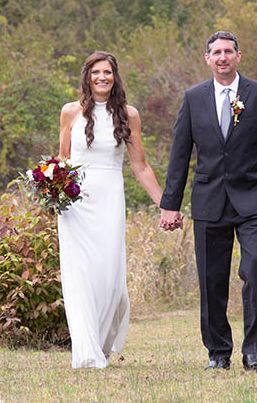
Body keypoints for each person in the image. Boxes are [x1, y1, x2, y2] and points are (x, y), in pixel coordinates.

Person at [159, 31, 257, 372]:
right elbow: (179, 154)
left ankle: (253, 351)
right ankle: (218, 352)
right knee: (211, 279)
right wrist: (169, 204)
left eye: (228, 51)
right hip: (208, 200)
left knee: (254, 269)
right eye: (216, 52)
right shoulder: (193, 98)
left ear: (238, 56)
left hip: (255, 199)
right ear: (207, 59)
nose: (222, 57)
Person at [58, 51, 177, 369]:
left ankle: (101, 341)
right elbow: (62, 164)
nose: (102, 77)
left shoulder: (129, 115)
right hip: (76, 204)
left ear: (115, 76)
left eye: (107, 72)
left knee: (109, 277)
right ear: (86, 76)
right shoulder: (70, 113)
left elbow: (140, 167)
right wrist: (51, 193)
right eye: (96, 72)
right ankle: (84, 349)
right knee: (80, 276)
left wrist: (166, 204)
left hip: (110, 199)